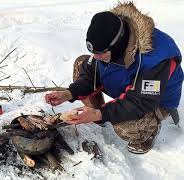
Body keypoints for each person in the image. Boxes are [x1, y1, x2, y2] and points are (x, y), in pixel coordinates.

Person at [45, 2, 183, 154]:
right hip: (125, 84)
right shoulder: (107, 42)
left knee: (124, 125)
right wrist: (69, 93)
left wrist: (101, 114)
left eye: (101, 52)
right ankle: (98, 113)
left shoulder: (157, 57)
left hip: (154, 100)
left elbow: (141, 102)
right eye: (94, 52)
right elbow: (91, 74)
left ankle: (148, 130)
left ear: (118, 44)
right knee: (81, 63)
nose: (96, 57)